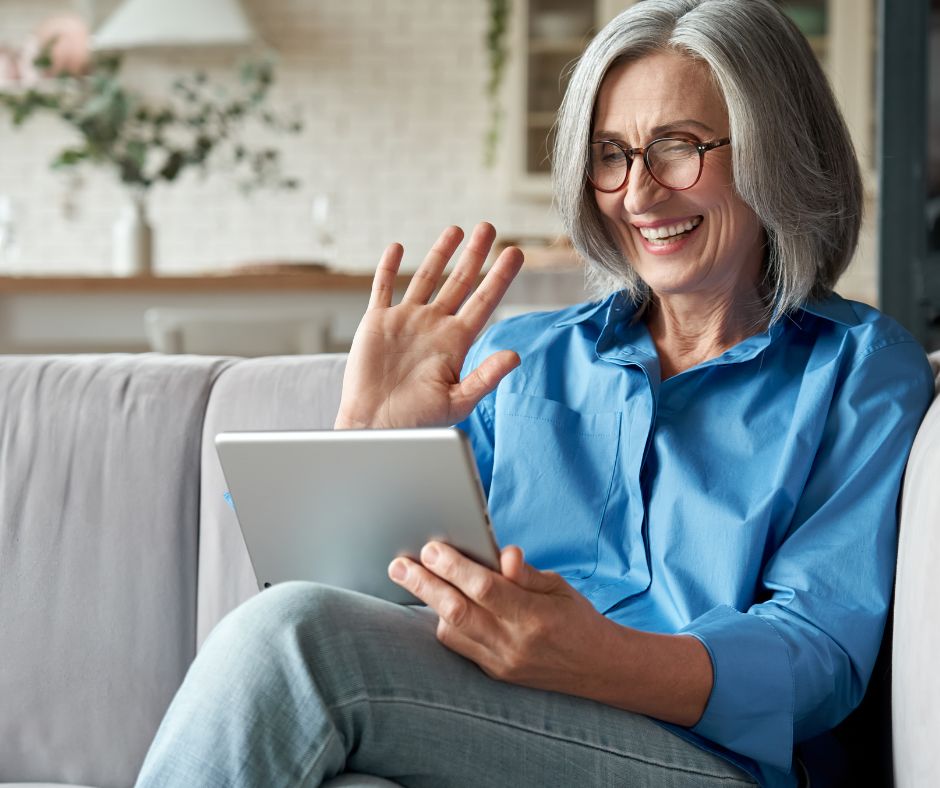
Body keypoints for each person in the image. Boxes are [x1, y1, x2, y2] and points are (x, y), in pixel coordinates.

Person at [135, 1, 935, 786]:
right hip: (487, 722)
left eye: (679, 147)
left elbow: (820, 660)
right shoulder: (519, 356)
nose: (639, 194)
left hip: (703, 758)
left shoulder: (859, 368)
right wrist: (366, 436)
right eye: (611, 154)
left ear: (777, 150)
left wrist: (602, 661)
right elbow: (372, 606)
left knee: (296, 642)